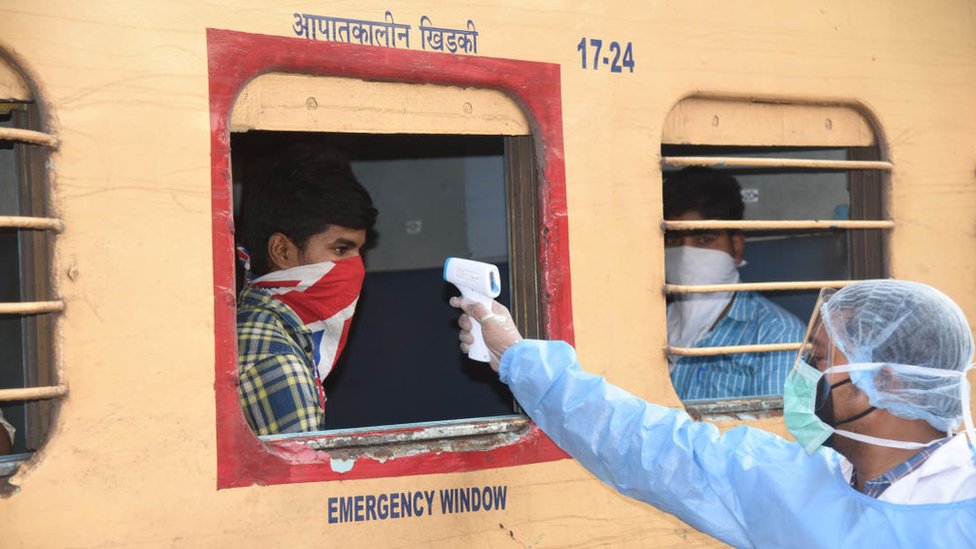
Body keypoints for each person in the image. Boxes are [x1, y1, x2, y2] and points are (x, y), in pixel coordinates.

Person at [450, 279, 976, 547]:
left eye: (817, 361)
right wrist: (517, 356)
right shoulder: (788, 483)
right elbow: (646, 445)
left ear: (881, 383)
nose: (800, 377)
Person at [235, 144, 377, 435]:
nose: (356, 268)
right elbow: (301, 479)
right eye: (340, 249)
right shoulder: (278, 361)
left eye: (359, 251)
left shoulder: (252, 320)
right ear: (282, 251)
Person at [664, 167, 805, 399]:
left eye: (704, 239)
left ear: (736, 247)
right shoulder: (651, 326)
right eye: (673, 240)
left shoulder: (776, 335)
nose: (686, 254)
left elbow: (774, 431)